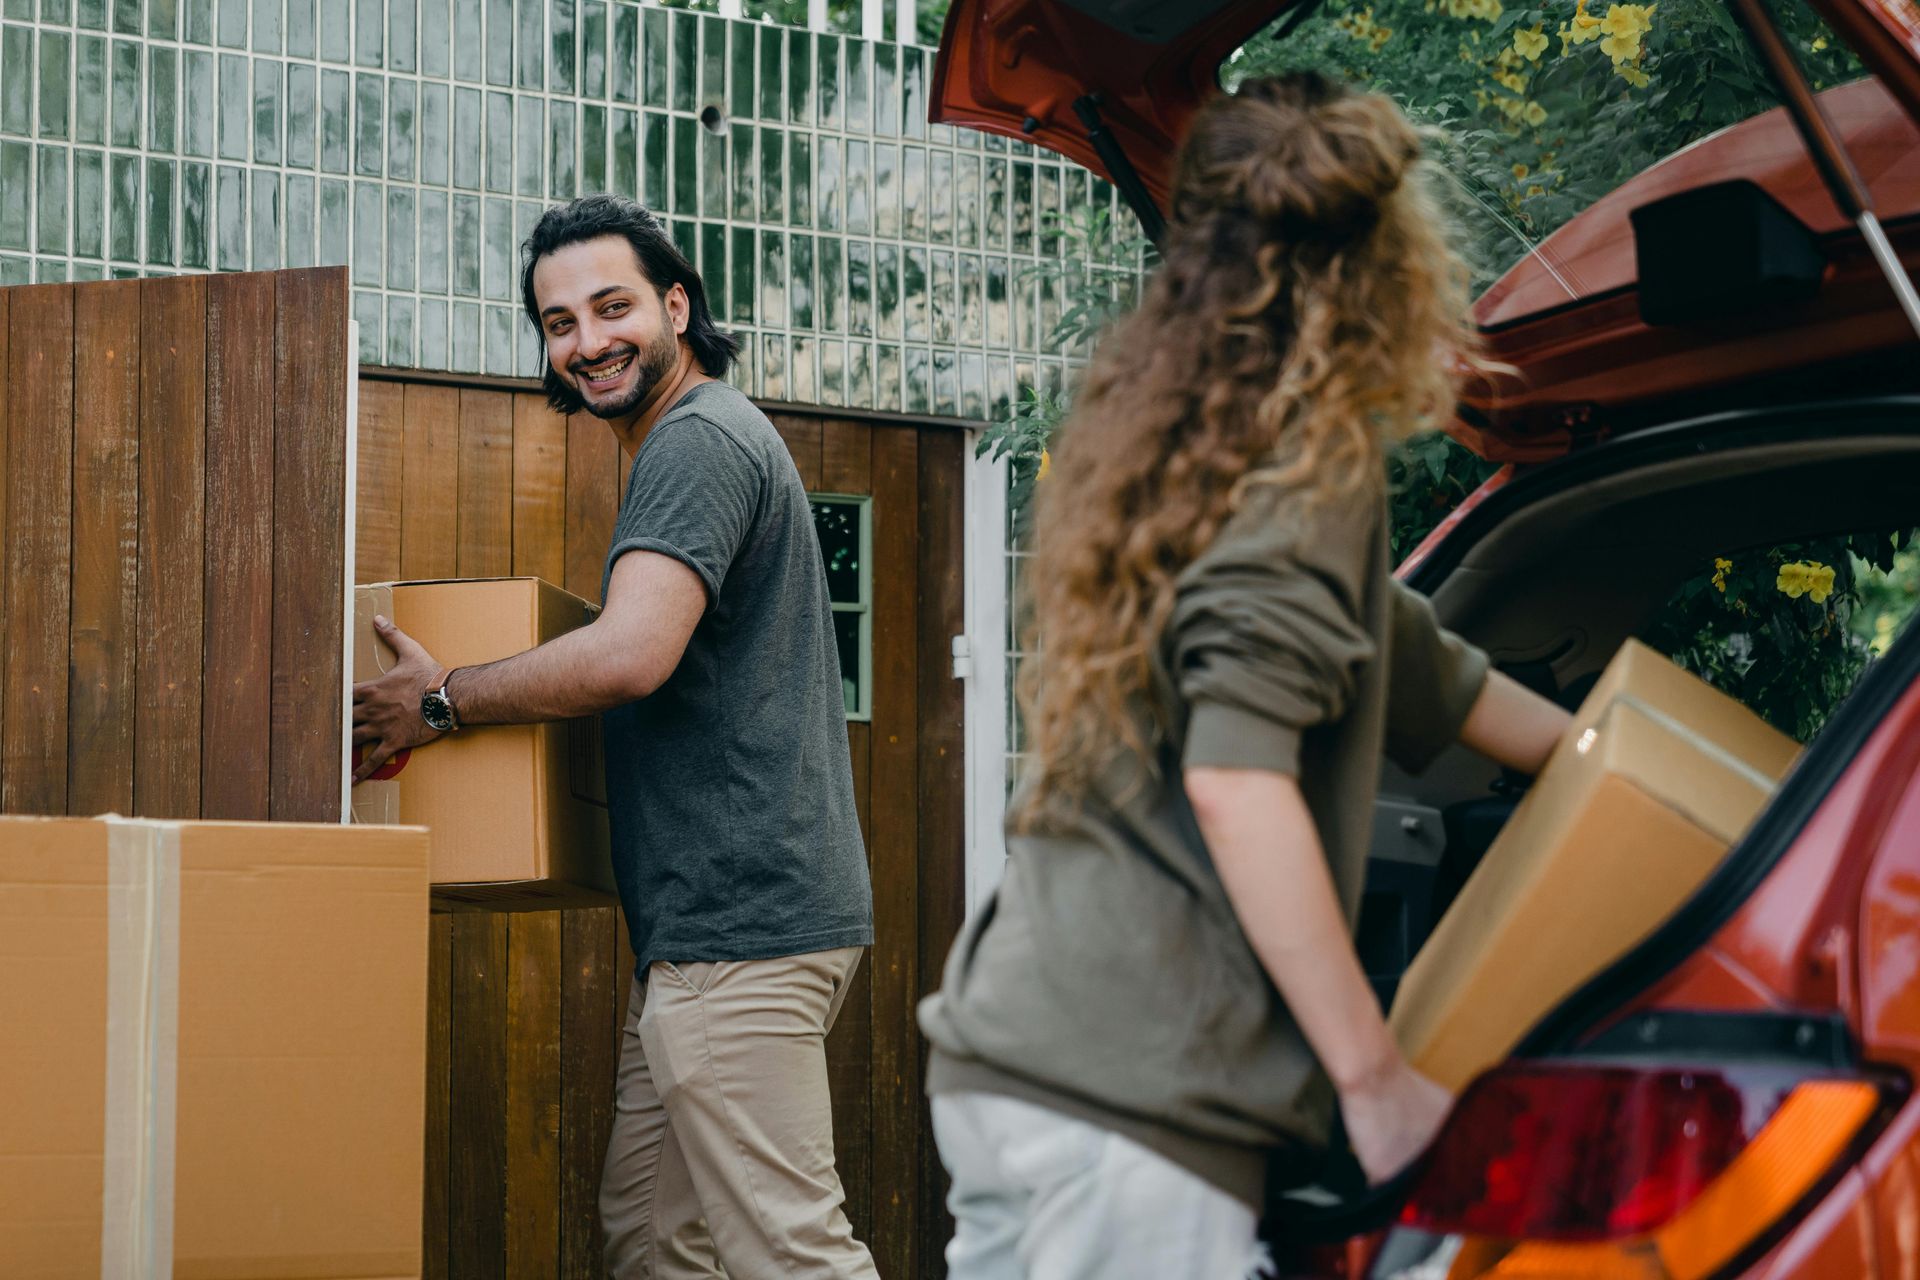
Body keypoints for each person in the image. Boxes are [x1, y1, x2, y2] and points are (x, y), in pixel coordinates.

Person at [917, 72, 1573, 1279]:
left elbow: (1422, 664)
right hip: (1137, 1103)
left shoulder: (1176, 451)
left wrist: (1624, 766)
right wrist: (1373, 1082)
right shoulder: (1311, 464)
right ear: (1382, 261)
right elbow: (1237, 779)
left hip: (1015, 1056)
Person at [352, 194, 880, 1280]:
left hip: (745, 926)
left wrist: (443, 700)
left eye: (612, 307)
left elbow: (631, 653)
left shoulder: (695, 441)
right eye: (559, 323)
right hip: (705, 931)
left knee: (793, 1254)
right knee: (648, 1240)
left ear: (675, 305)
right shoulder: (690, 441)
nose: (588, 342)